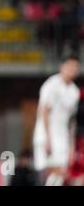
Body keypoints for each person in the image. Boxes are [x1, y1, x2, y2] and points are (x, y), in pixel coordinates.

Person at [33, 55, 81, 186]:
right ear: (62, 67)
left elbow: (72, 121)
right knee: (50, 173)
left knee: (60, 175)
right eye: (70, 66)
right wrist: (47, 138)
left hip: (62, 137)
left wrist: (71, 146)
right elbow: (44, 111)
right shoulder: (52, 84)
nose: (73, 69)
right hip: (47, 135)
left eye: (76, 67)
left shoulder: (74, 92)